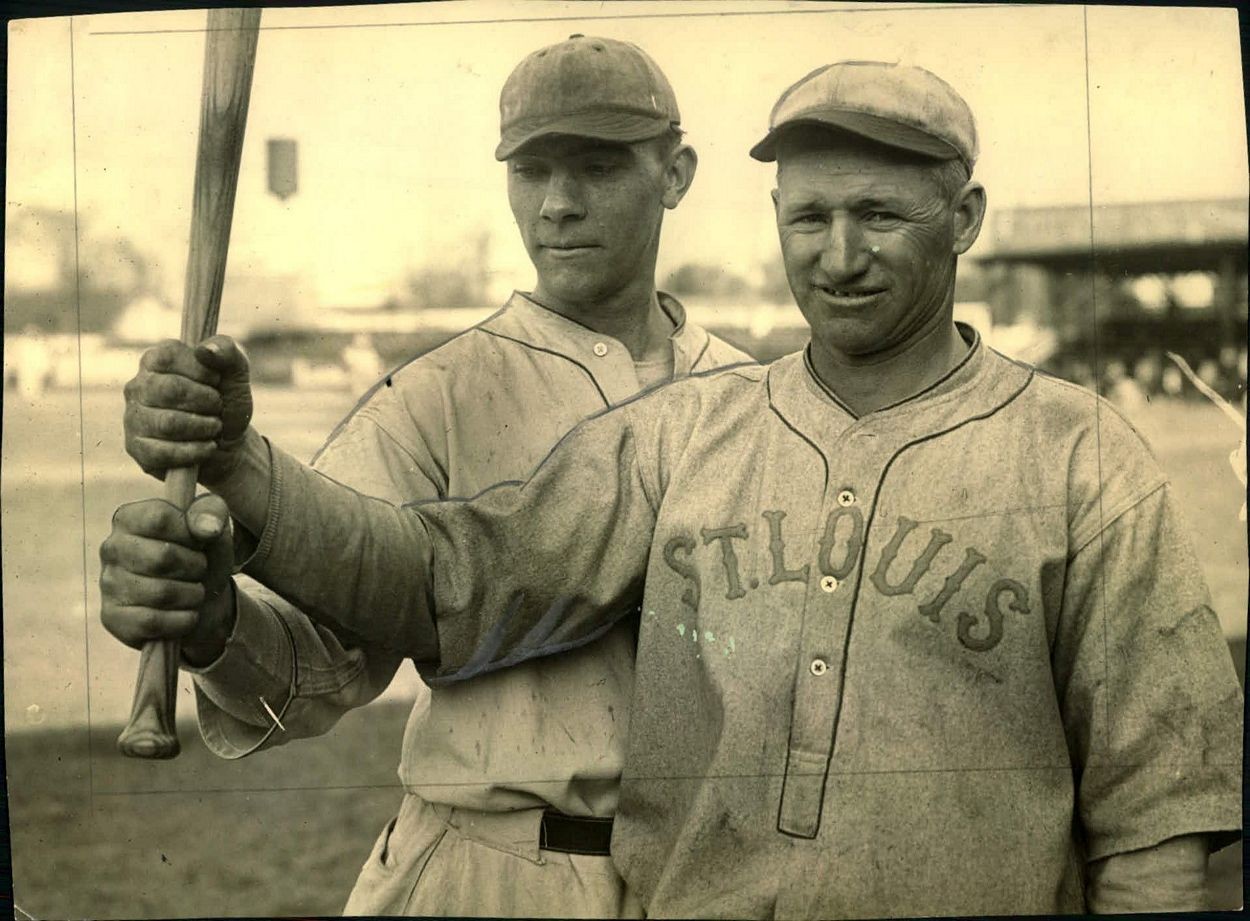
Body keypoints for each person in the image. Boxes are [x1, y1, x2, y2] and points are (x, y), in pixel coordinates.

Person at [101, 61, 1242, 918]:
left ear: (965, 220)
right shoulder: (678, 427)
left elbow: (1155, 808)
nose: (839, 255)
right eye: (809, 217)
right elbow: (444, 579)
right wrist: (244, 470)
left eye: (881, 215)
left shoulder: (1078, 453)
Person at [103, 35, 750, 918]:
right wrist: (216, 623)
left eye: (598, 167)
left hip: (703, 882)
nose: (558, 204)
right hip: (488, 874)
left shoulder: (754, 394)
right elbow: (316, 668)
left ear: (675, 174)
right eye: (531, 170)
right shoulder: (434, 396)